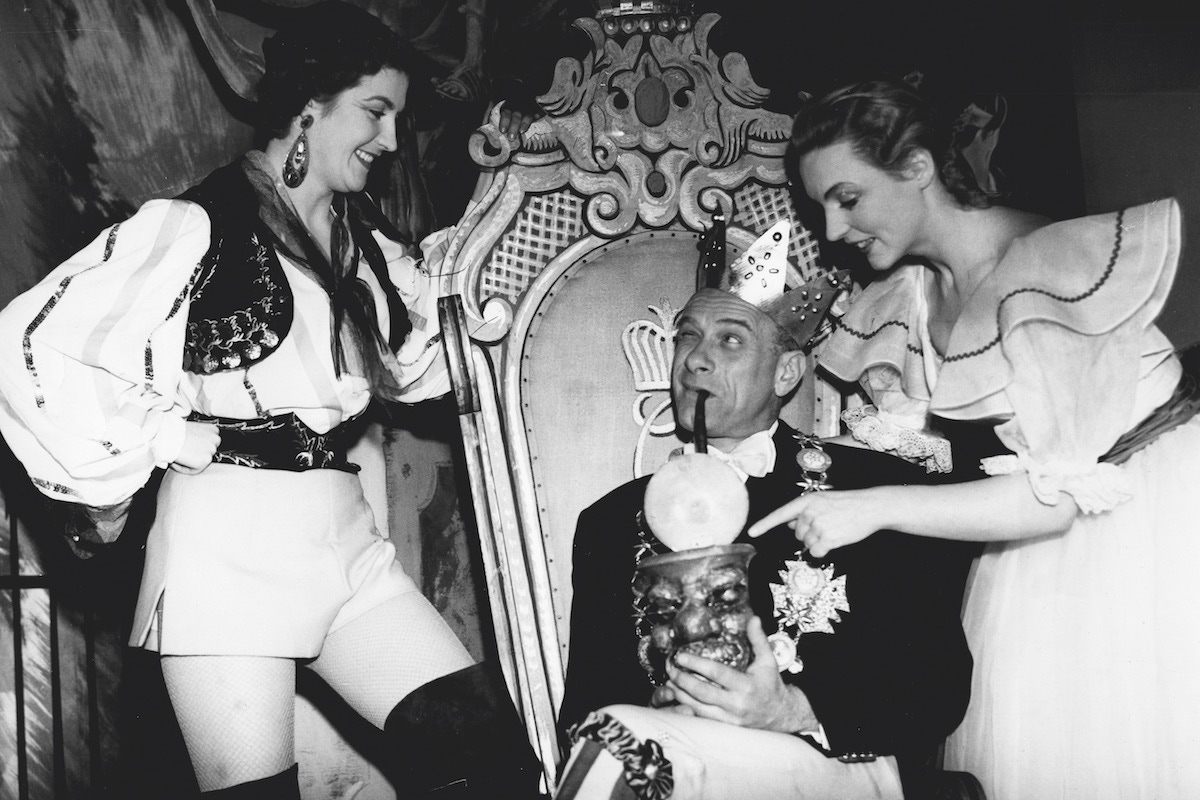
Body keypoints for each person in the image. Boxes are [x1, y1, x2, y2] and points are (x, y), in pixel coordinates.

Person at [0, 3, 541, 797]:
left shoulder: (367, 247)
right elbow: (37, 343)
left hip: (345, 543)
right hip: (228, 555)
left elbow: (435, 357)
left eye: (398, 119)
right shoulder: (194, 226)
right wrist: (166, 443)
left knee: (490, 757)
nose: (391, 141)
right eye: (376, 111)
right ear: (309, 107)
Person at [758, 79, 1200, 800]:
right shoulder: (910, 296)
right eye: (821, 209)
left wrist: (872, 507)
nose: (834, 231)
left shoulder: (1044, 266)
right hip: (1029, 547)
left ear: (918, 169)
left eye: (848, 198)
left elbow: (1057, 498)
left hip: (1146, 521)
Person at [554, 224, 982, 800]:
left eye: (730, 341)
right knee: (621, 740)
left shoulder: (872, 489)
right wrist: (658, 705)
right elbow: (583, 714)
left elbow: (937, 686)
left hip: (837, 759)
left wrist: (791, 708)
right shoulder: (610, 522)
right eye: (687, 336)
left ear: (786, 374)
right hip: (680, 765)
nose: (695, 361)